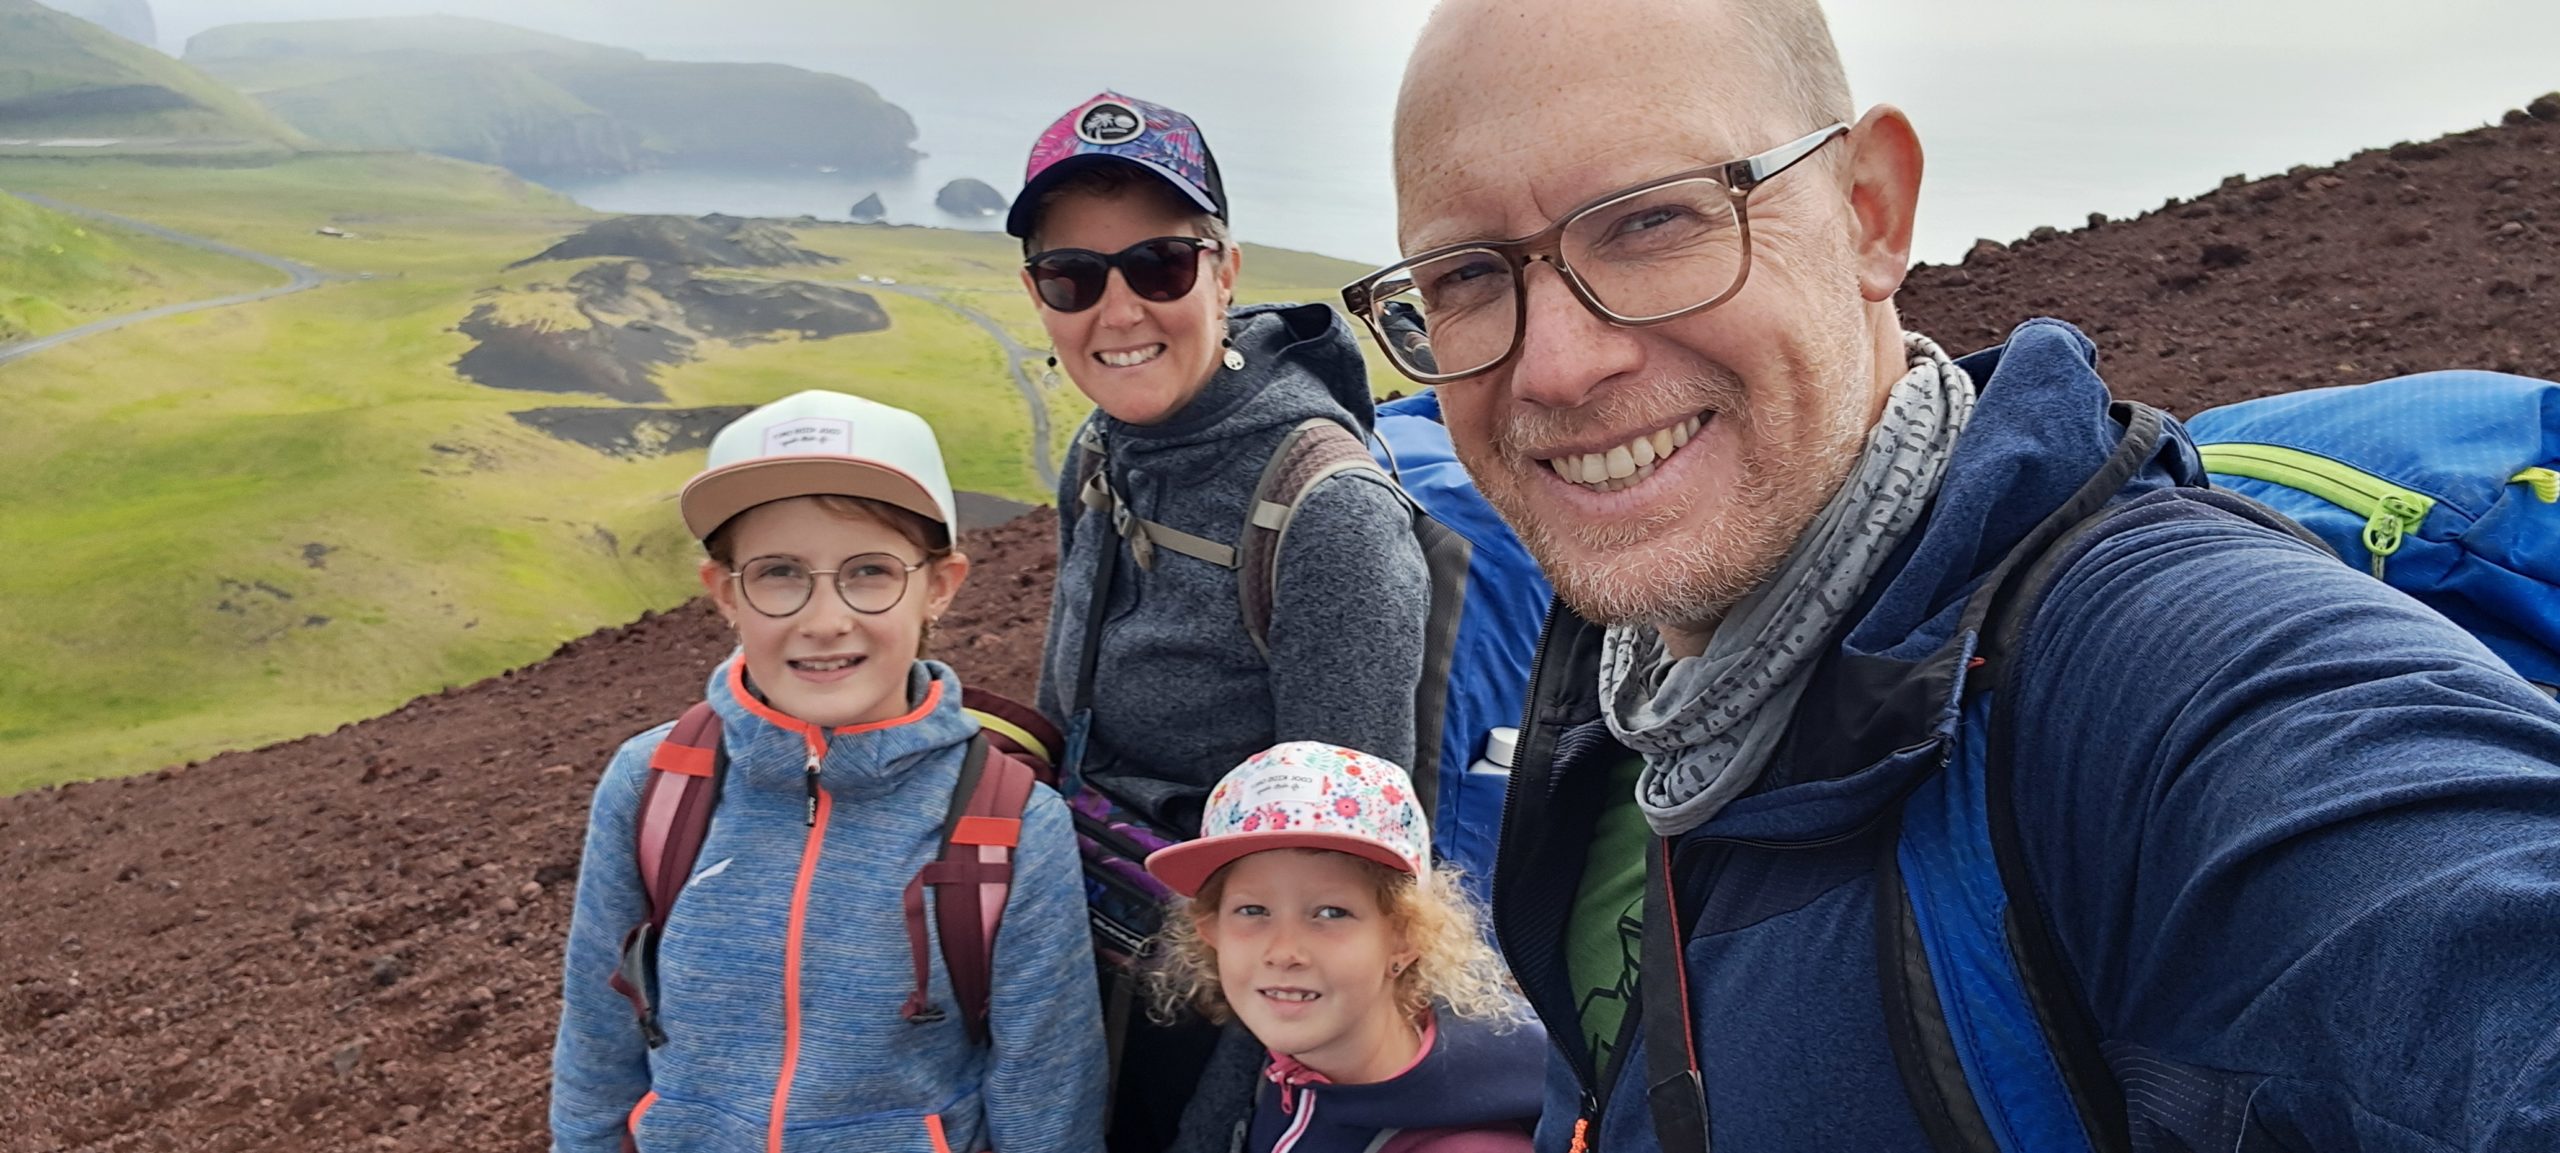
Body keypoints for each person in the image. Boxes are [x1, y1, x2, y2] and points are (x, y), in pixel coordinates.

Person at [1348, 1, 2560, 1150]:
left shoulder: (2150, 683)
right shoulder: (1621, 700)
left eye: (1653, 220)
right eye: (1466, 276)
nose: (1555, 367)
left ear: (1869, 211)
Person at [1010, 92, 1433, 1150]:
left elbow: (1343, 883)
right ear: (1037, 294)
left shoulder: (1327, 517)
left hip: (1224, 1015)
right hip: (1086, 961)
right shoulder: (1102, 449)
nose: (1117, 313)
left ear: (1225, 271)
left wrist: (1222, 1126)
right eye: (1073, 278)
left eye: (1159, 266)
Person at [550, 391, 1106, 1153]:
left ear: (940, 585)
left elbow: (1046, 1095)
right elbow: (597, 1045)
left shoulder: (1011, 822)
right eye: (779, 572)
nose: (824, 619)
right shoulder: (654, 783)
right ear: (726, 592)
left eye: (870, 571)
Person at [1144, 742, 1545, 1153]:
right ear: (1211, 930)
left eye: (1331, 913)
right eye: (1252, 910)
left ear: (1406, 936)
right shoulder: (1302, 1058)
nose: (1283, 952)